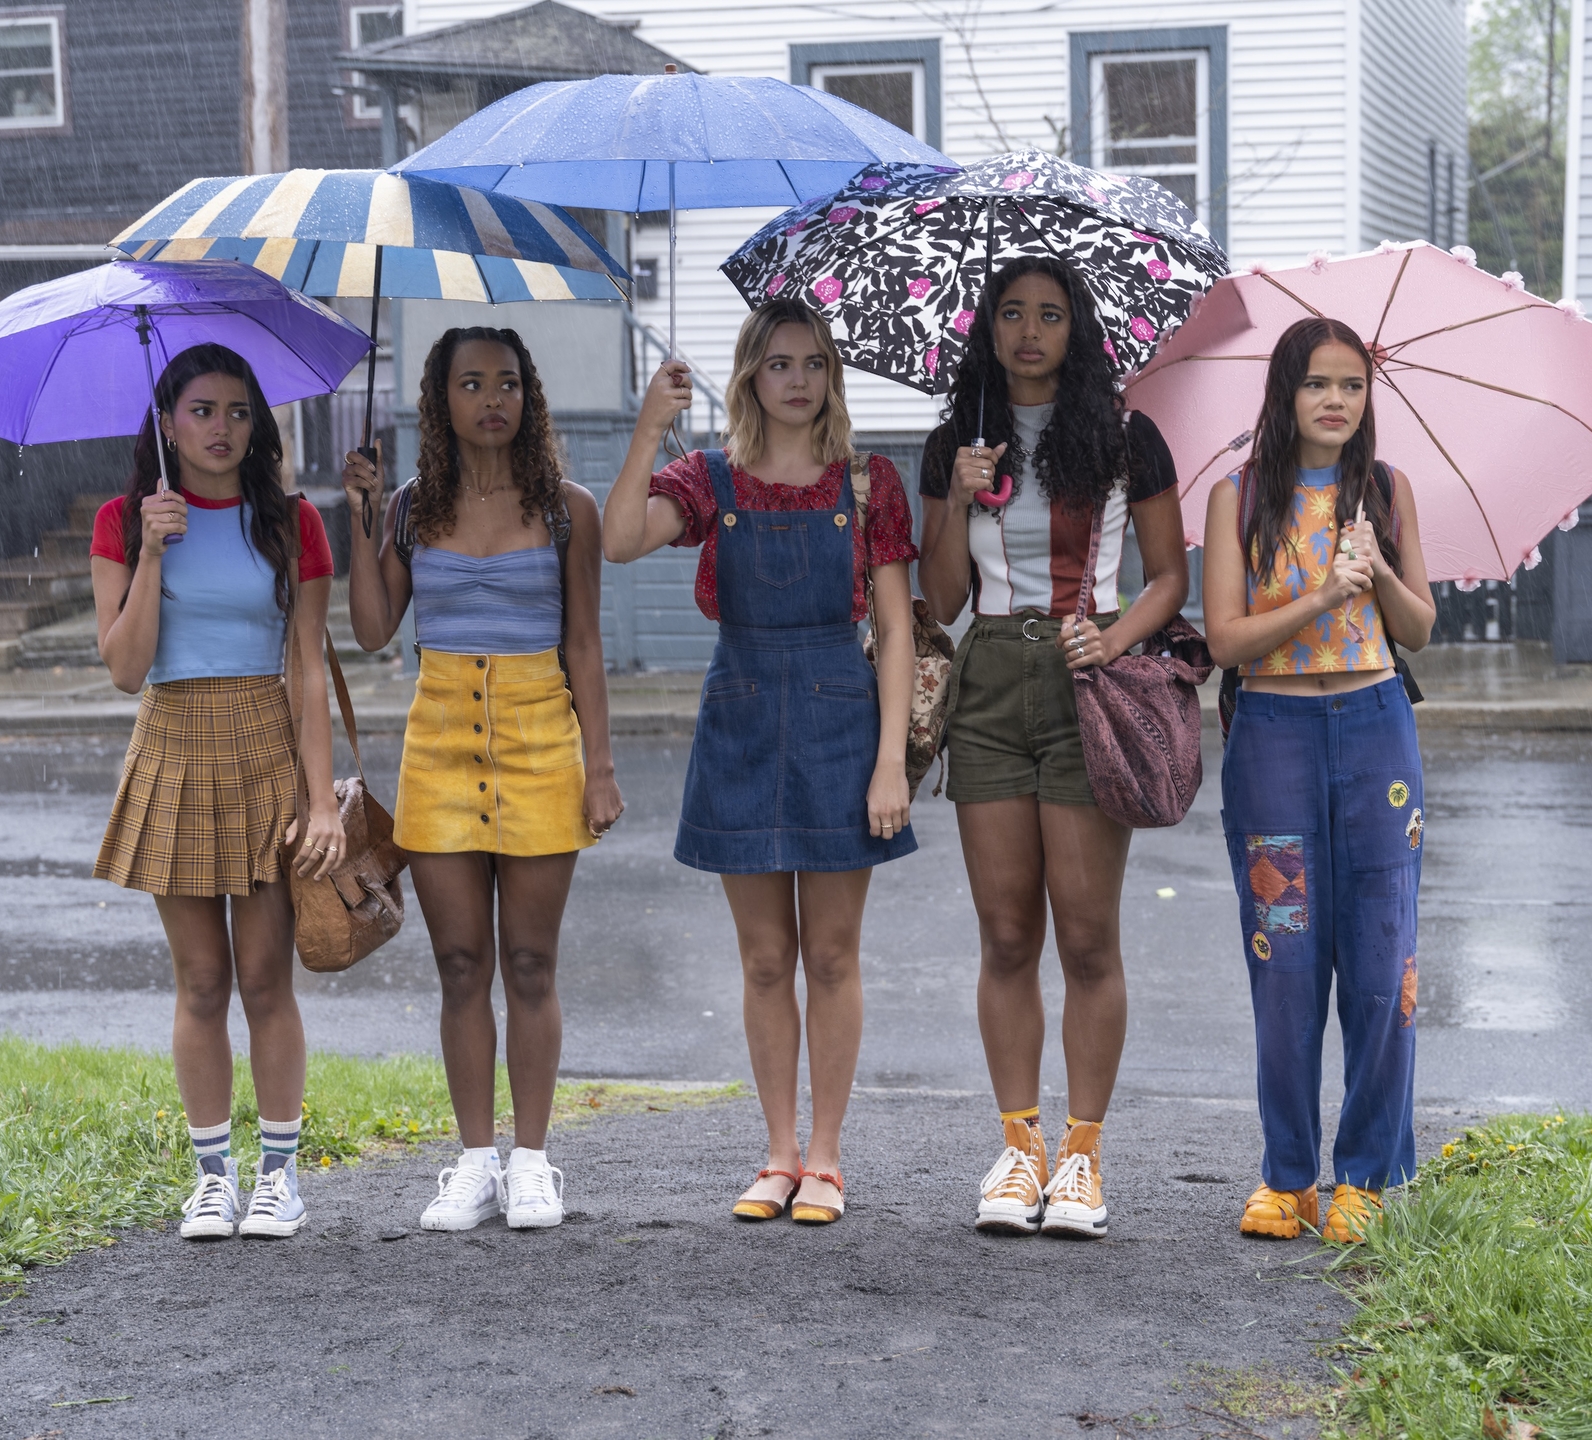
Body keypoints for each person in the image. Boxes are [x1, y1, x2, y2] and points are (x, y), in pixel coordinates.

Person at [601, 298, 917, 1227]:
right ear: (749, 375)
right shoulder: (707, 477)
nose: (798, 381)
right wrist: (647, 430)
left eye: (814, 364)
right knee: (765, 957)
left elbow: (896, 630)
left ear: (832, 377)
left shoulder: (867, 484)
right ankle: (776, 1153)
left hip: (840, 721)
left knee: (830, 952)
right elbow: (619, 541)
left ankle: (826, 1157)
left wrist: (890, 759)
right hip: (739, 716)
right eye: (779, 364)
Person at [916, 256, 1189, 1239]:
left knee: (1084, 936)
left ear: (1078, 333)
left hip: (1088, 682)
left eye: (1051, 316)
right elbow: (940, 597)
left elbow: (1168, 578)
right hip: (987, 681)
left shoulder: (1125, 437)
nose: (1030, 331)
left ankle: (1082, 1154)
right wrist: (953, 492)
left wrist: (1112, 637)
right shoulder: (956, 443)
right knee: (1004, 936)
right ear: (988, 329)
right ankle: (1019, 1144)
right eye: (1013, 314)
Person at [343, 326, 621, 1232]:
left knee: (531, 963)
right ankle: (473, 1162)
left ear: (528, 396)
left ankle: (534, 1161)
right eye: (471, 383)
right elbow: (377, 628)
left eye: (506, 382)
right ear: (443, 399)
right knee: (461, 965)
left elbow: (584, 643)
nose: (491, 398)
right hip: (438, 745)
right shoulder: (413, 508)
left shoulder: (568, 508)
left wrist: (600, 769)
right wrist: (360, 514)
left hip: (544, 740)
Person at [91, 343, 344, 1242]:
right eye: (201, 410)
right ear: (165, 422)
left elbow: (308, 667)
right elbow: (124, 669)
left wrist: (321, 802)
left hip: (264, 742)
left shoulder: (292, 523)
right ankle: (213, 1177)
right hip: (171, 743)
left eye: (238, 411)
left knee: (267, 976)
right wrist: (153, 553)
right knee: (201, 981)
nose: (221, 428)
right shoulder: (125, 519)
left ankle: (280, 1175)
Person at [1202, 315, 1436, 1244]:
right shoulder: (1239, 495)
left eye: (1352, 385)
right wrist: (1319, 598)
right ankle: (1288, 1175)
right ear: (1284, 394)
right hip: (1275, 734)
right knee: (1285, 959)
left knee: (1384, 964)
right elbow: (1225, 639)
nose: (1336, 401)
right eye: (1317, 384)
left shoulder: (1386, 490)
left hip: (1378, 732)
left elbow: (1418, 630)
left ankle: (1368, 1174)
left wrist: (1374, 569)